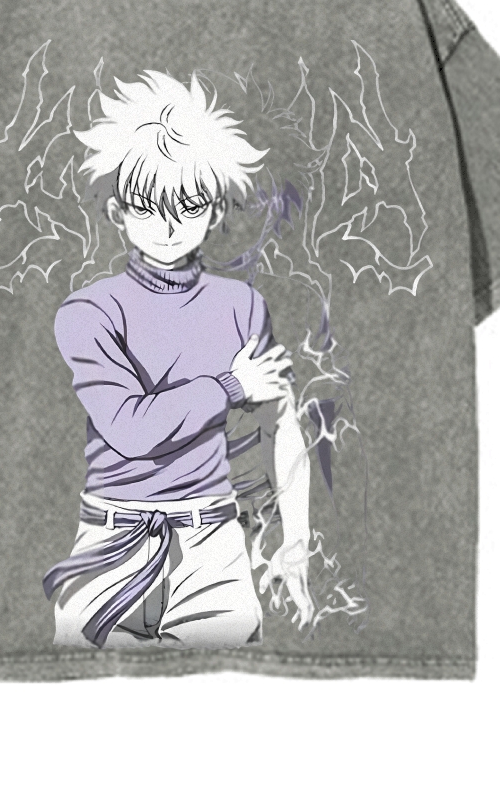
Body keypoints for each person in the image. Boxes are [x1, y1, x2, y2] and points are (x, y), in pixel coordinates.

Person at [43, 68, 314, 648]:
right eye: (147, 206)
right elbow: (129, 428)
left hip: (212, 545)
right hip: (110, 545)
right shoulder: (89, 311)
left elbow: (282, 423)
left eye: (187, 206)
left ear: (214, 212)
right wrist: (229, 386)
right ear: (118, 211)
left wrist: (297, 539)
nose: (167, 225)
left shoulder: (242, 305)